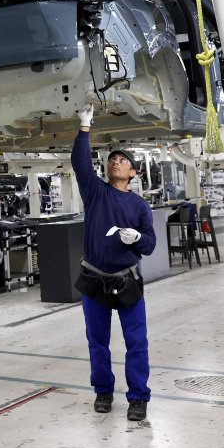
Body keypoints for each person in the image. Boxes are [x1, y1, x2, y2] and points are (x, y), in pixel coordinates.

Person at [71, 104, 156, 421]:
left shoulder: (139, 205)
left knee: (137, 343)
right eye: (112, 160)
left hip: (127, 280)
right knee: (98, 343)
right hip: (93, 281)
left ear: (133, 172)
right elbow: (80, 165)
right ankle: (103, 391)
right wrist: (84, 126)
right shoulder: (95, 191)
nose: (115, 163)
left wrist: (138, 239)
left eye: (122, 161)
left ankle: (138, 397)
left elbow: (150, 245)